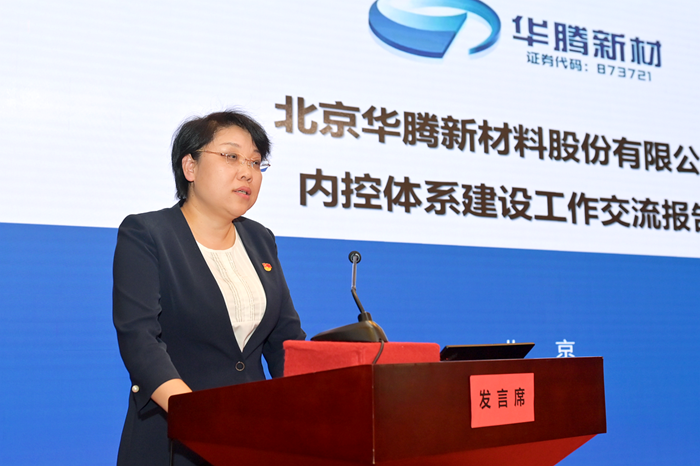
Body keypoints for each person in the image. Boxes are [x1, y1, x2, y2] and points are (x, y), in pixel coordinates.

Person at [113, 110, 306, 465]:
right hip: (175, 436)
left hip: (252, 437)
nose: (247, 172)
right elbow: (140, 341)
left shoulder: (260, 239)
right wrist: (199, 418)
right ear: (190, 167)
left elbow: (285, 341)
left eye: (255, 162)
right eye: (231, 156)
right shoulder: (147, 234)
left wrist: (312, 410)